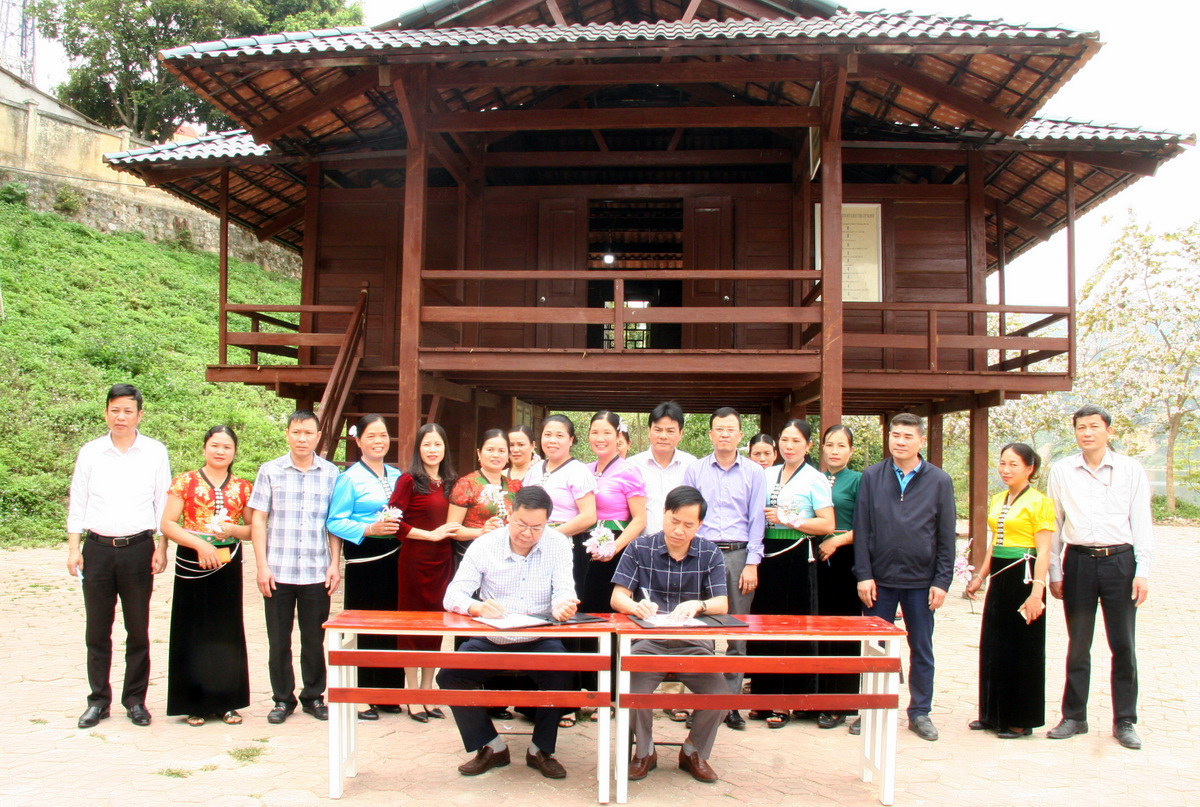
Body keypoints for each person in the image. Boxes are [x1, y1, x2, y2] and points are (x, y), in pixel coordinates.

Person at [437, 486, 579, 780]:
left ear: (548, 523)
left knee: (564, 669)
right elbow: (453, 595)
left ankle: (541, 749)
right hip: (492, 637)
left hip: (540, 637)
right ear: (510, 515)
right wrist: (476, 608)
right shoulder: (485, 545)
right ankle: (491, 746)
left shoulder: (559, 544)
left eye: (536, 527)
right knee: (450, 675)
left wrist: (563, 606)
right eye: (521, 524)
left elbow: (565, 590)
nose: (527, 533)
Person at [1045, 405, 1152, 750]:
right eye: (1080, 427)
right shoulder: (1062, 471)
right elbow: (1055, 525)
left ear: (1109, 431)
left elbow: (1142, 522)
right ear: (1074, 433)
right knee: (1078, 644)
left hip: (1120, 562)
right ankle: (1074, 716)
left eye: (1094, 426)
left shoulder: (1130, 469)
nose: (1087, 433)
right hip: (1078, 562)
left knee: (1123, 644)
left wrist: (1143, 571)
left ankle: (1125, 720)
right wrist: (1055, 572)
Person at [68, 383, 172, 729]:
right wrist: (73, 547)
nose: (121, 416)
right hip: (96, 549)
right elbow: (78, 499)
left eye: (128, 410)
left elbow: (162, 501)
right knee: (97, 630)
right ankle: (98, 701)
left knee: (138, 629)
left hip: (139, 549)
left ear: (140, 414)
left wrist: (161, 546)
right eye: (115, 410)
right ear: (106, 413)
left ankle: (135, 701)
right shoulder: (91, 452)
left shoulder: (155, 452)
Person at [611, 485, 730, 783]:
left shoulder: (709, 552)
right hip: (648, 641)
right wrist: (636, 606)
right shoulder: (640, 548)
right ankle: (645, 751)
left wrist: (698, 604)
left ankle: (693, 752)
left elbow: (722, 603)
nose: (679, 530)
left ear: (699, 525)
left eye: (688, 525)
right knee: (633, 692)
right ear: (663, 514)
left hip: (692, 643)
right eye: (674, 521)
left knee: (720, 696)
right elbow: (617, 598)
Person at [853, 412, 956, 742]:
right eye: (895, 435)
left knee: (921, 648)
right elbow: (863, 527)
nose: (899, 441)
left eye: (907, 436)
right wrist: (864, 575)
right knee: (874, 648)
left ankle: (920, 712)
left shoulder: (939, 481)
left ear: (920, 441)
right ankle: (870, 710)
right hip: (879, 581)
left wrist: (942, 581)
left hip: (921, 583)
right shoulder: (872, 476)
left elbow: (945, 536)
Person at [248, 410, 342, 724]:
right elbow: (258, 519)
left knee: (314, 639)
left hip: (317, 571)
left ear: (318, 437)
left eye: (308, 433)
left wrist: (334, 564)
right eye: (296, 432)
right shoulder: (270, 471)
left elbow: (334, 524)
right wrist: (262, 566)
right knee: (279, 639)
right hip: (278, 570)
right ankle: (282, 699)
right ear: (287, 433)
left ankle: (314, 696)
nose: (302, 439)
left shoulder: (331, 474)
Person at [160, 425, 253, 727]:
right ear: (204, 448)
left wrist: (232, 530)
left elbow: (253, 529)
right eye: (214, 445)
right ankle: (193, 703)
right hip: (191, 558)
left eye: (226, 446)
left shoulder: (242, 487)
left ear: (234, 452)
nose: (220, 451)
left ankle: (227, 702)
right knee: (192, 628)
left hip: (228, 559)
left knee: (225, 630)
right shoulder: (184, 482)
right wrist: (199, 544)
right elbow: (168, 523)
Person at [681, 407, 765, 730]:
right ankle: (701, 703)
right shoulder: (696, 470)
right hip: (701, 553)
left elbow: (757, 519)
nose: (725, 434)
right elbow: (688, 514)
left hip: (738, 554)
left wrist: (752, 562)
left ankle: (730, 705)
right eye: (719, 429)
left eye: (731, 429)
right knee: (699, 633)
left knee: (736, 632)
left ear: (740, 435)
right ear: (711, 434)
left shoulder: (754, 472)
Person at [964, 442, 1054, 738]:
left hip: (1025, 578)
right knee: (994, 645)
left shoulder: (1039, 501)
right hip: (1001, 578)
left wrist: (1037, 592)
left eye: (1014, 464)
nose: (1006, 469)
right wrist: (980, 576)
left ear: (1030, 468)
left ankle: (1020, 718)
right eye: (1002, 463)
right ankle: (992, 714)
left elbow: (1043, 551)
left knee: (1022, 648)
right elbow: (995, 543)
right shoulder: (999, 498)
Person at [750, 419, 834, 728]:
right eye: (784, 440)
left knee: (792, 627)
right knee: (765, 625)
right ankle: (762, 696)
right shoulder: (766, 473)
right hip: (766, 555)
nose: (788, 446)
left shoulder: (815, 478)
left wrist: (789, 519)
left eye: (796, 441)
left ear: (808, 446)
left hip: (797, 555)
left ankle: (787, 700)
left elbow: (826, 524)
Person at [325, 414, 405, 721]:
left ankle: (386, 692)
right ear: (358, 441)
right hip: (365, 557)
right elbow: (334, 520)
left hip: (395, 556)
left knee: (391, 624)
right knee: (364, 625)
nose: (378, 441)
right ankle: (359, 694)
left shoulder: (397, 475)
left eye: (383, 435)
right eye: (371, 436)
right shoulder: (349, 478)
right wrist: (368, 529)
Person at [388, 422, 461, 722]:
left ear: (445, 448)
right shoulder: (408, 480)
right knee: (411, 625)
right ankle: (412, 695)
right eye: (427, 444)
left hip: (444, 561)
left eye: (438, 444)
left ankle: (428, 692)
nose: (433, 450)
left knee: (435, 625)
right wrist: (429, 535)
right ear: (419, 448)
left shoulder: (452, 483)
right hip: (415, 560)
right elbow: (394, 522)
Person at [816, 424, 863, 731]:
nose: (834, 451)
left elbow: (870, 525)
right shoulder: (813, 478)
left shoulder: (860, 481)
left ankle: (842, 701)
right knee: (817, 627)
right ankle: (816, 697)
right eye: (829, 445)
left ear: (851, 451)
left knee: (843, 628)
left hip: (845, 558)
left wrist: (838, 540)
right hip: (815, 557)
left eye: (841, 446)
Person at [582, 411, 647, 613]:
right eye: (595, 432)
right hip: (584, 545)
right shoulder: (583, 469)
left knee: (602, 606)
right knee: (581, 602)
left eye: (607, 433)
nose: (600, 438)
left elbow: (639, 519)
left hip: (615, 547)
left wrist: (614, 548)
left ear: (619, 436)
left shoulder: (628, 471)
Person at [448, 429, 522, 563]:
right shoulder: (466, 484)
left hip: (506, 556)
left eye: (501, 451)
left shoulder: (514, 487)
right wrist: (481, 531)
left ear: (508, 456)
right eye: (490, 450)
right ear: (479, 453)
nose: (496, 455)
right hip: (473, 555)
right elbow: (452, 528)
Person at [628, 402, 697, 539]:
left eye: (670, 431)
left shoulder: (691, 464)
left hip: (681, 543)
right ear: (649, 431)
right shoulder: (632, 465)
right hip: (642, 545)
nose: (663, 436)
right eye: (658, 430)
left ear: (680, 434)